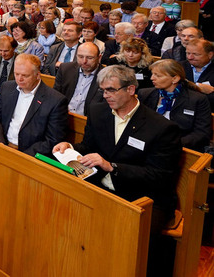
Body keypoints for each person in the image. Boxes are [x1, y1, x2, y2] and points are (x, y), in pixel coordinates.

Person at [53, 65, 182, 277]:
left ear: (131, 90)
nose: (105, 96)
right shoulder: (98, 111)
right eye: (103, 90)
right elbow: (89, 146)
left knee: (126, 240)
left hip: (145, 196)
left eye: (111, 90)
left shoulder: (161, 127)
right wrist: (70, 147)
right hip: (103, 184)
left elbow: (159, 176)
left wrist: (111, 166)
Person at [0, 53, 68, 156]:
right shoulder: (7, 87)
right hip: (3, 146)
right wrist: (0, 144)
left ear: (38, 75)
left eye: (25, 75)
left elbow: (52, 140)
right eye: (16, 74)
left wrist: (23, 157)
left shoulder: (55, 100)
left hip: (30, 155)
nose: (19, 79)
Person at [138, 59, 212, 151]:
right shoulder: (145, 94)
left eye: (158, 75)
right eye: (152, 74)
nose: (152, 78)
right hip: (148, 143)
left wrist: (173, 144)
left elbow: (201, 133)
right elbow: (138, 123)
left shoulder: (197, 99)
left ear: (175, 78)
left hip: (180, 147)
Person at [54, 42, 103, 116]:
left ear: (99, 58)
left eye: (90, 58)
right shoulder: (65, 69)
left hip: (88, 120)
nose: (84, 61)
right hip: (63, 116)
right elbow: (56, 95)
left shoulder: (106, 76)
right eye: (80, 57)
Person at [183, 38, 214, 105]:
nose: (190, 57)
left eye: (195, 54)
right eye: (188, 53)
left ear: (210, 55)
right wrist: (197, 86)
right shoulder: (179, 67)